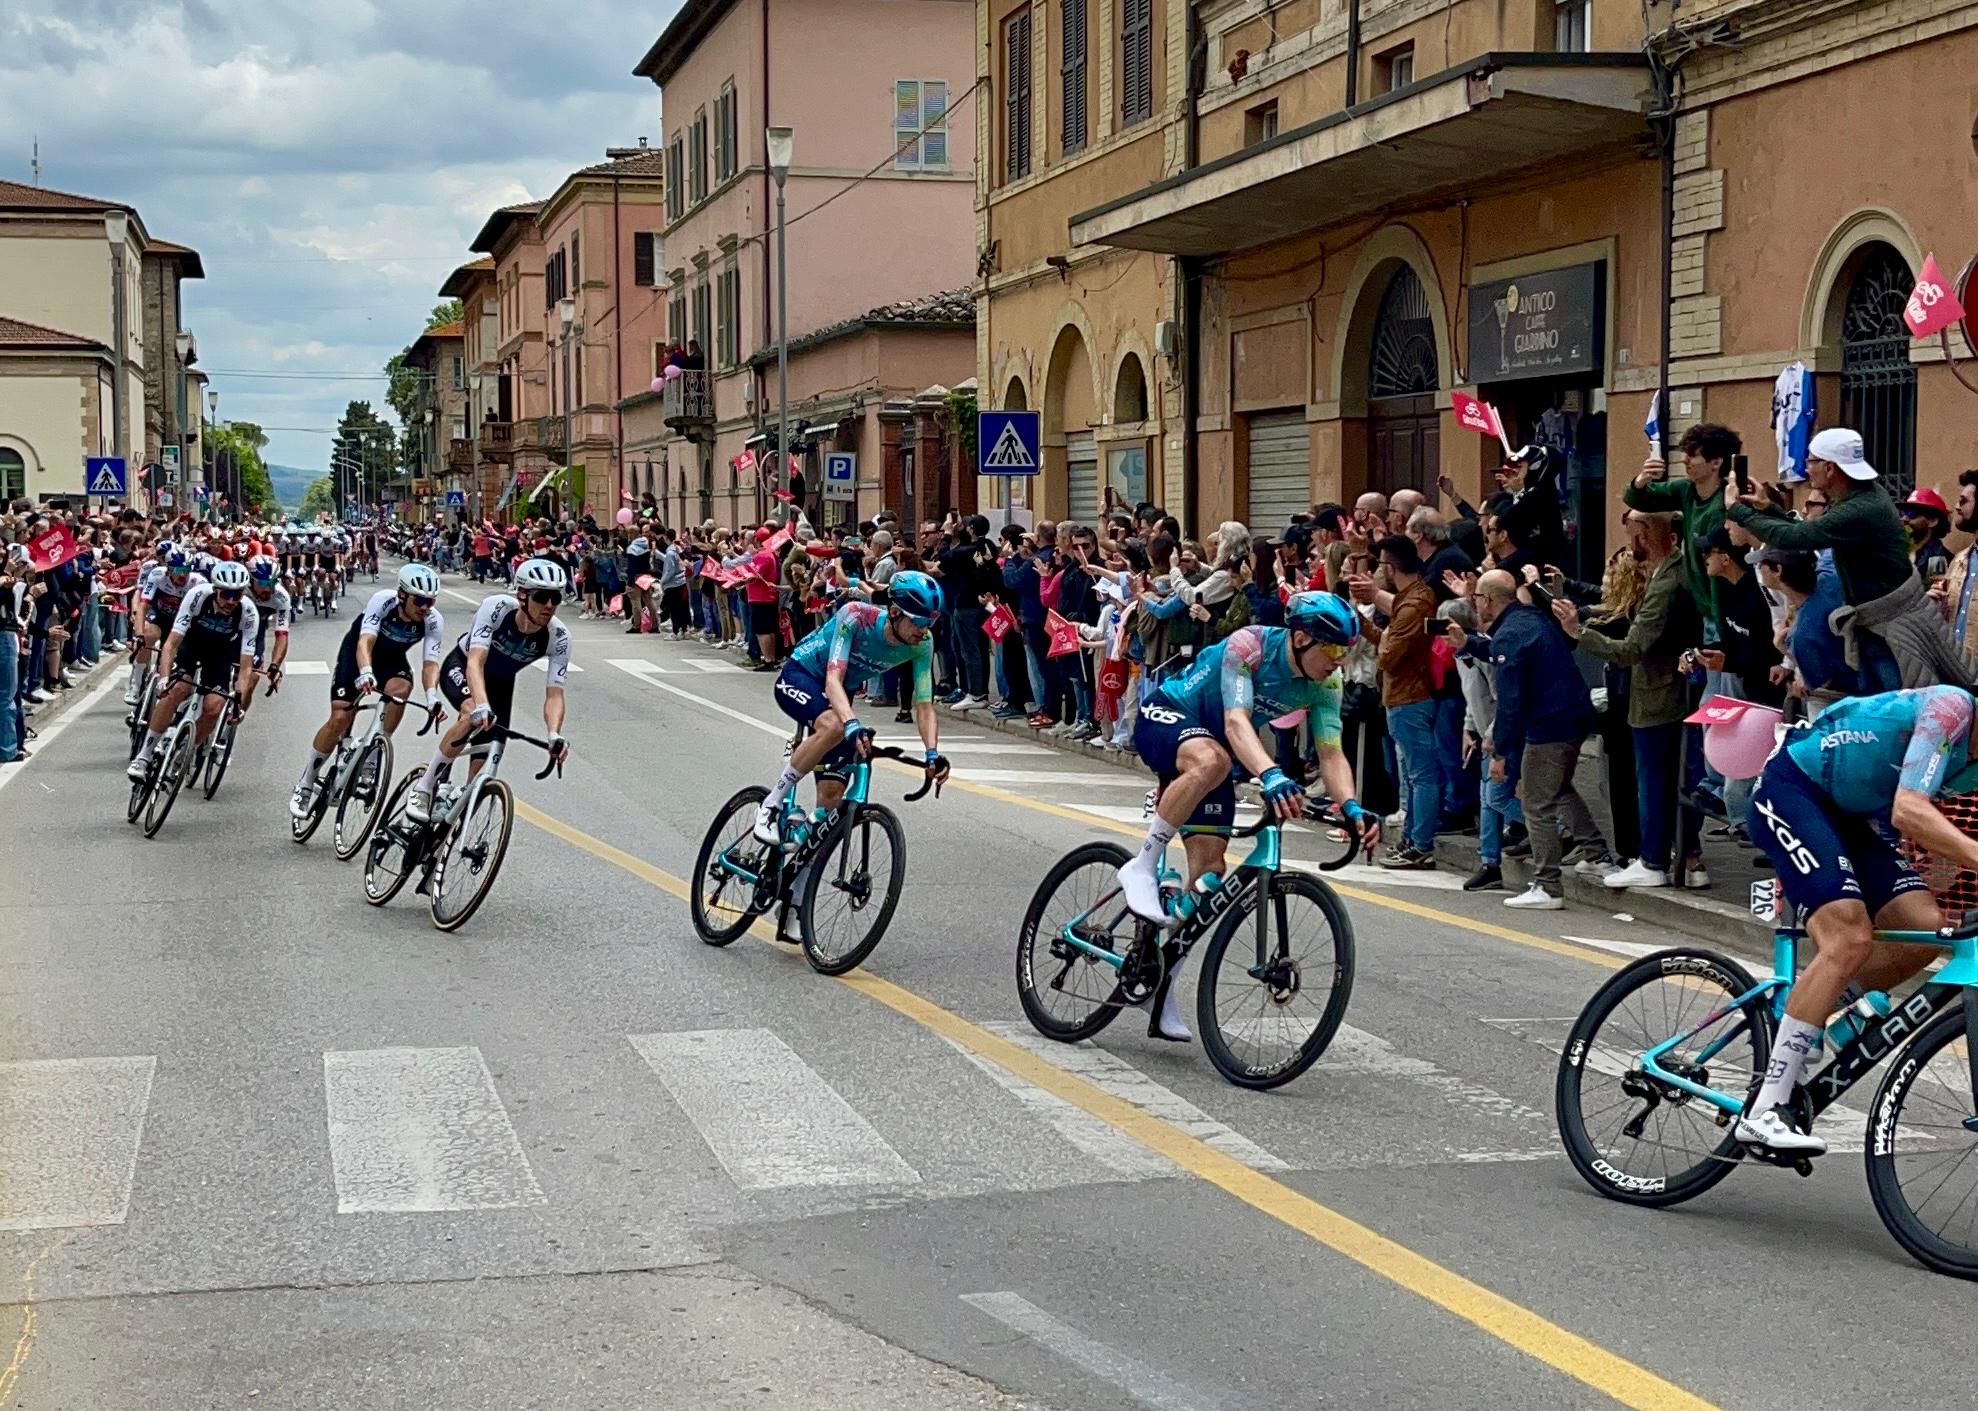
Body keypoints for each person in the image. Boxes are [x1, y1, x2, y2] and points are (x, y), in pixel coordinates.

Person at [1116, 592, 1378, 1040]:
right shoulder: (1249, 646)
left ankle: (1159, 987)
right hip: (1168, 715)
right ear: (1301, 638)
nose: (1339, 661)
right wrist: (1271, 774)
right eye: (1333, 649)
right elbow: (1236, 721)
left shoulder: (1326, 684)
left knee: (1208, 876)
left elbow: (1331, 753)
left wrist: (1350, 806)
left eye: (1346, 651)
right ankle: (1143, 864)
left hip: (1215, 751)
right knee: (1213, 760)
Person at [1738, 685, 1978, 1154]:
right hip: (1793, 791)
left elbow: (1942, 845)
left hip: (1855, 820)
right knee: (1848, 937)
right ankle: (1766, 1110)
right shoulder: (1950, 710)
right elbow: (1909, 810)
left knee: (1926, 930)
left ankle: (1816, 1008)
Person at [753, 570, 951, 943]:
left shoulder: (921, 644)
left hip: (840, 698)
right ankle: (772, 802)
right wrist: (852, 723)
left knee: (830, 806)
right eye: (919, 621)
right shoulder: (856, 617)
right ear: (895, 612)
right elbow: (832, 680)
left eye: (931, 622)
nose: (924, 630)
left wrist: (932, 753)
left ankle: (795, 902)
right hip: (802, 676)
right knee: (833, 726)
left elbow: (924, 705)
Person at [1728, 427, 1954, 691]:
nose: (1806, 468)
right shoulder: (1863, 496)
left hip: (1890, 631)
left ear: (1829, 468)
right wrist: (1767, 507)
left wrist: (1737, 510)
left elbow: (1795, 537)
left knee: (1894, 706)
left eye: (1811, 461)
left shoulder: (1859, 508)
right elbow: (1808, 533)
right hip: (1878, 627)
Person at [1552, 512, 1706, 890]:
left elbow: (1631, 649)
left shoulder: (1665, 583)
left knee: (1653, 781)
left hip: (1658, 694)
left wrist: (1578, 631)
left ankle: (1653, 860)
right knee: (1674, 780)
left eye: (1634, 534)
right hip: (1673, 690)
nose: (1629, 543)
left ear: (1647, 536)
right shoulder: (1674, 573)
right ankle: (1685, 857)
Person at [1456, 569, 1602, 909]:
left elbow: (1511, 703)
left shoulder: (1510, 634)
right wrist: (1467, 643)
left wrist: (1501, 753)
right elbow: (1500, 654)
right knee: (1559, 789)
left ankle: (1548, 885)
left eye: (1477, 598)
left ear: (1488, 600)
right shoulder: (1528, 618)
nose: (1475, 604)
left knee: (1536, 804)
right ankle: (1597, 854)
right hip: (1572, 716)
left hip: (1549, 725)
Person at [410, 557, 573, 823]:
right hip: (463, 666)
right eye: (541, 597)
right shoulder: (497, 608)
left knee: (487, 759)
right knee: (471, 714)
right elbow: (475, 662)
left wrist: (554, 733)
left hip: (501, 683)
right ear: (522, 596)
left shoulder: (559, 636)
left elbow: (555, 695)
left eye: (556, 598)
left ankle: (451, 815)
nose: (549, 605)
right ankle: (424, 787)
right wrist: (482, 705)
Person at [290, 563, 446, 819]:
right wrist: (365, 671)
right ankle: (307, 781)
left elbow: (430, 664)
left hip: (392, 661)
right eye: (419, 600)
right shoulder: (383, 602)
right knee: (340, 716)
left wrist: (432, 696)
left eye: (431, 601)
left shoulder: (432, 620)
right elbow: (365, 641)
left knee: (402, 689)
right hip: (359, 654)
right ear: (403, 595)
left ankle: (373, 754)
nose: (425, 607)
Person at [1347, 537, 1442, 869]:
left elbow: (1388, 658)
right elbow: (1385, 644)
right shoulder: (1410, 600)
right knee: (1412, 776)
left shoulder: (1414, 605)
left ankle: (1421, 844)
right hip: (1402, 697)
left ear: (1391, 567)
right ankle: (1412, 839)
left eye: (1381, 565)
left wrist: (1383, 637)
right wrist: (1363, 625)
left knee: (1421, 775)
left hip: (1410, 698)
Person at [126, 560, 258, 780]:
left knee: (215, 708)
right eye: (226, 594)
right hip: (191, 645)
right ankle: (144, 756)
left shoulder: (248, 612)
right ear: (215, 590)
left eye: (236, 595)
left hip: (220, 655)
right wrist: (164, 679)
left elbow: (245, 667)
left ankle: (186, 752)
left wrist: (238, 700)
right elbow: (171, 644)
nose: (231, 601)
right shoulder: (197, 595)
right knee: (175, 691)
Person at [126, 544, 202, 709]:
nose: (182, 575)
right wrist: (138, 635)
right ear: (168, 570)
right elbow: (143, 606)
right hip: (159, 616)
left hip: (181, 623)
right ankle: (136, 683)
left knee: (177, 654)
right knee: (148, 635)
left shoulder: (198, 582)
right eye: (177, 570)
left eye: (186, 570)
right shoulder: (156, 574)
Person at [237, 554, 291, 718]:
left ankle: (235, 716)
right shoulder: (239, 587)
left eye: (272, 583)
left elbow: (282, 635)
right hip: (229, 629)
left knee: (252, 679)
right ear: (250, 580)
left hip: (255, 634)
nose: (268, 589)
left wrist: (275, 666)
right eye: (262, 583)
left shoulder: (281, 597)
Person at [1901, 486, 1952, 585]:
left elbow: (1936, 592)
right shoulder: (1905, 550)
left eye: (1911, 514)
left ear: (1932, 521)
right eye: (1904, 513)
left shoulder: (1938, 558)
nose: (1904, 518)